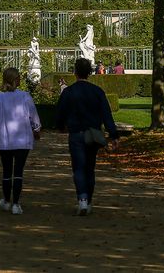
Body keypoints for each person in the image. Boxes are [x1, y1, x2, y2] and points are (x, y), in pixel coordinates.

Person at [55, 57, 119, 216]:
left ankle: (82, 199)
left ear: (75, 72)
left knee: (78, 168)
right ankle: (88, 200)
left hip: (76, 134)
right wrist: (114, 135)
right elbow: (107, 115)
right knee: (90, 168)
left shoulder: (69, 92)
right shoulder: (97, 91)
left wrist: (60, 126)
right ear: (90, 72)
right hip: (93, 134)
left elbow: (60, 113)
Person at [0, 67, 41, 215]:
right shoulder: (25, 96)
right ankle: (16, 203)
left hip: (5, 140)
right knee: (18, 172)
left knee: (7, 171)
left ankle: (7, 201)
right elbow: (33, 116)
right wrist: (37, 130)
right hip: (23, 139)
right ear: (16, 80)